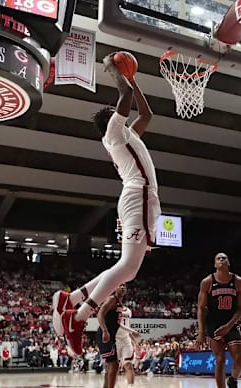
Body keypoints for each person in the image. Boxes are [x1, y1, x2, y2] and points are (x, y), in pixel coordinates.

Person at [52, 52, 161, 356]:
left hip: (140, 198)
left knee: (128, 269)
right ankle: (79, 316)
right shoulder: (114, 134)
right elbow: (123, 95)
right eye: (118, 112)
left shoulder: (126, 135)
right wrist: (113, 69)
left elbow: (148, 114)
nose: (122, 111)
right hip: (137, 195)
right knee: (127, 266)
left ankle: (70, 300)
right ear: (112, 119)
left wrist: (134, 80)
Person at [197, 253, 241, 388]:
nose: (221, 260)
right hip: (213, 324)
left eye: (224, 258)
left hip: (230, 323)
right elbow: (201, 308)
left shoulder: (238, 281)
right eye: (218, 258)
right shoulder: (207, 282)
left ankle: (233, 381)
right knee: (220, 360)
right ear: (215, 264)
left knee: (239, 360)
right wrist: (201, 332)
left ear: (229, 262)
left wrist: (229, 325)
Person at [97, 284, 127, 388]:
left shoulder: (120, 302)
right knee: (113, 366)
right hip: (106, 335)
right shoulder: (112, 299)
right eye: (120, 285)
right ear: (115, 287)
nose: (123, 287)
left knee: (110, 366)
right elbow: (100, 314)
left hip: (111, 335)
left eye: (125, 286)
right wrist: (105, 330)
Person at [116, 286, 141, 388]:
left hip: (126, 340)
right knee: (113, 367)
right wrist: (132, 332)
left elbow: (127, 328)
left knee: (128, 365)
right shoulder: (113, 308)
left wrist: (134, 341)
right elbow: (117, 325)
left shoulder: (128, 311)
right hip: (115, 339)